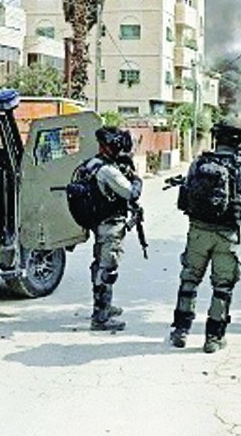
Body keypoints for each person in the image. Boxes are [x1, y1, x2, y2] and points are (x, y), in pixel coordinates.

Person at [169, 116, 241, 353]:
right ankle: (213, 338)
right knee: (222, 287)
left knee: (189, 280)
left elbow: (186, 196)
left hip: (198, 232)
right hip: (226, 235)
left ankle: (180, 331)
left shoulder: (199, 164)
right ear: (240, 140)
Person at [85, 126, 142, 331]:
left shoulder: (92, 163)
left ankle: (103, 307)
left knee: (99, 265)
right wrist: (136, 179)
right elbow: (130, 194)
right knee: (108, 269)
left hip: (98, 223)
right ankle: (100, 317)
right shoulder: (108, 170)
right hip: (110, 226)